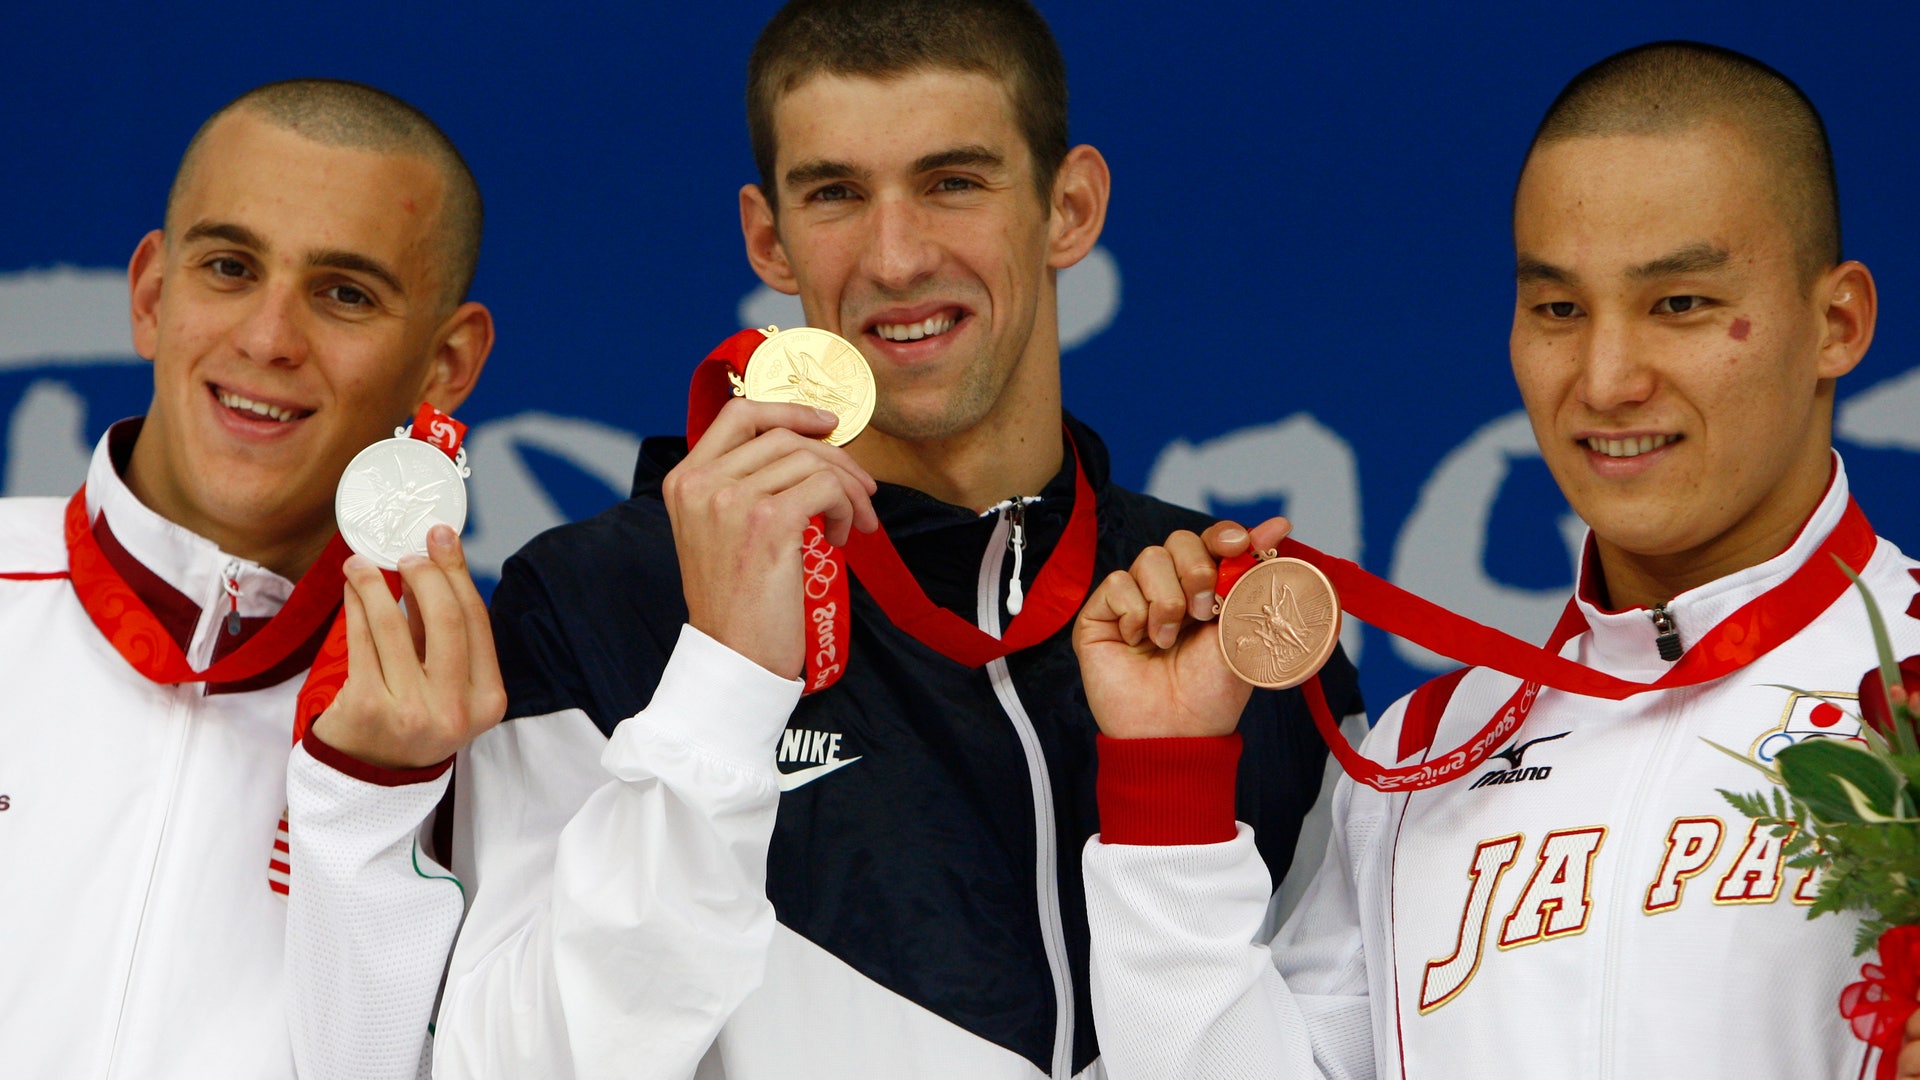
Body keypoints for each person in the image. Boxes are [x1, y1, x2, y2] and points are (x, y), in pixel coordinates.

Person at [431, 1, 1360, 1076]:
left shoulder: (1233, 622)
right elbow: (509, 1061)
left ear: (1070, 207)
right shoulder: (597, 598)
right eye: (835, 194)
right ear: (767, 237)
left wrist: (1175, 782)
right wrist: (722, 679)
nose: (898, 256)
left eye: (953, 182)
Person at [1074, 40, 1920, 1079]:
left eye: (1679, 304)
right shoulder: (1430, 757)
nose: (1605, 379)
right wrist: (1169, 776)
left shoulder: (1909, 687)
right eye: (1559, 310)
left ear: (1836, 324)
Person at [0, 81, 503, 1078]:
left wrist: (379, 794)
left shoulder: (488, 730)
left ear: (444, 364)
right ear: (151, 296)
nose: (269, 338)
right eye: (229, 267)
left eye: (344, 293)